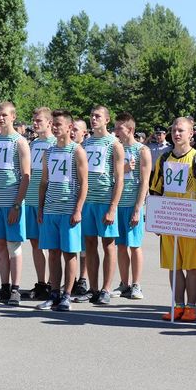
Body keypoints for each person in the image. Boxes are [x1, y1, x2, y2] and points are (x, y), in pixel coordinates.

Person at [151, 117, 196, 321]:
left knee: (191, 265)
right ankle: (177, 306)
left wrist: (194, 216)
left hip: (189, 220)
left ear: (191, 133)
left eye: (181, 131)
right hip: (169, 218)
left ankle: (191, 307)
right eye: (174, 130)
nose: (176, 134)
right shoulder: (163, 158)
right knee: (174, 265)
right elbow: (156, 189)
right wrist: (157, 219)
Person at [35, 109, 88, 311]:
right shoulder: (48, 152)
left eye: (59, 124)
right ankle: (54, 293)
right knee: (53, 253)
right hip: (51, 209)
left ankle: (67, 295)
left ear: (69, 127)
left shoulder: (77, 151)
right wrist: (41, 207)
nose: (55, 128)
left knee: (69, 253)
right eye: (53, 124)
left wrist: (78, 209)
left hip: (69, 209)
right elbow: (43, 182)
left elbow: (84, 183)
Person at [73, 105, 124, 305]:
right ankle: (93, 288)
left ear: (107, 120)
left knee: (108, 244)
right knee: (89, 243)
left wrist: (113, 207)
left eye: (98, 116)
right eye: (92, 116)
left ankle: (106, 289)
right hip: (88, 201)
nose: (94, 119)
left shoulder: (114, 144)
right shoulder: (85, 144)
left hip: (105, 200)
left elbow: (120, 179)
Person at [0, 101, 30, 305]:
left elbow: (26, 176)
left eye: (5, 115)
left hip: (12, 202)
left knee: (13, 245)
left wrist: (17, 204)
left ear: (13, 117)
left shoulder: (20, 142)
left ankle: (16, 289)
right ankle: (4, 288)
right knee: (1, 245)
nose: (1, 118)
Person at [112, 112, 152, 300]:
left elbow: (145, 181)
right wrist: (124, 169)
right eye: (115, 127)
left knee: (134, 245)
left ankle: (136, 284)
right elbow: (110, 173)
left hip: (132, 203)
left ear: (130, 129)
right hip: (117, 203)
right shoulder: (116, 148)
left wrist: (138, 208)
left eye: (119, 127)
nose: (116, 131)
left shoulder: (142, 150)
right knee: (120, 246)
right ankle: (124, 283)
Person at [24, 107, 56, 300]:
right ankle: (41, 283)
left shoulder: (55, 144)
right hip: (31, 199)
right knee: (35, 242)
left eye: (39, 121)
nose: (35, 124)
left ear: (49, 123)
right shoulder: (33, 144)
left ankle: (53, 283)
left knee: (51, 244)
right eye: (34, 120)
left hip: (48, 201)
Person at [69, 118, 90, 297]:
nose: (72, 132)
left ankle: (83, 278)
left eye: (76, 129)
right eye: (71, 129)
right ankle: (71, 279)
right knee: (70, 244)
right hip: (68, 201)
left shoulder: (86, 150)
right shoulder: (67, 149)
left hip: (86, 202)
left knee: (84, 244)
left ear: (84, 132)